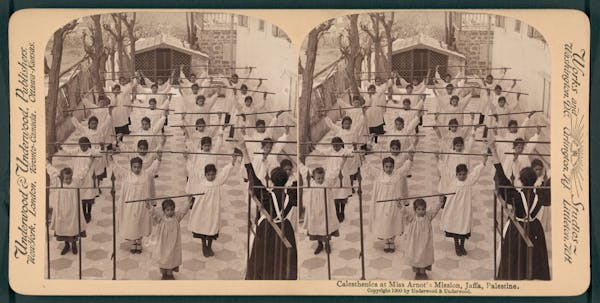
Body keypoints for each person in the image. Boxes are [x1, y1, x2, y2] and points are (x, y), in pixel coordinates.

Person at [490, 141, 551, 280]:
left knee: (514, 258)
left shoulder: (515, 196)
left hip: (517, 230)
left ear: (521, 180)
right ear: (535, 179)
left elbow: (501, 178)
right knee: (534, 258)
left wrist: (493, 151)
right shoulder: (541, 195)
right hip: (535, 229)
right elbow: (551, 187)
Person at [238, 140, 298, 280]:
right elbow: (297, 182)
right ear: (286, 179)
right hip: (285, 229)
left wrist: (244, 150)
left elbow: (251, 175)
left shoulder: (266, 196)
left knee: (263, 260)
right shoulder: (292, 194)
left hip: (267, 229)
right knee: (284, 263)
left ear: (271, 180)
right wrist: (292, 174)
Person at [359, 151, 414, 253]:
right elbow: (369, 168)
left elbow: (406, 167)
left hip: (394, 204)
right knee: (384, 221)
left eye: (390, 167)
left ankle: (392, 241)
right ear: (383, 167)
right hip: (382, 204)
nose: (388, 169)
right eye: (386, 167)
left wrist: (410, 158)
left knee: (394, 221)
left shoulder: (397, 174)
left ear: (393, 166)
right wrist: (363, 158)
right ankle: (386, 241)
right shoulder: (379, 174)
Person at [109, 154, 161, 254]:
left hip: (142, 205)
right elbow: (116, 168)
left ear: (142, 167)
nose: (137, 169)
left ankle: (139, 242)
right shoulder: (126, 175)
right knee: (132, 223)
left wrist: (158, 159)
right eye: (134, 167)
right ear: (131, 167)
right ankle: (133, 242)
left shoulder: (146, 175)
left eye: (139, 167)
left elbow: (154, 168)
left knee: (141, 222)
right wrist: (111, 159)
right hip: (130, 206)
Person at [188, 157, 238, 257]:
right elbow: (193, 170)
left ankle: (209, 246)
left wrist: (232, 162)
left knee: (212, 227)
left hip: (213, 210)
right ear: (205, 174)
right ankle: (204, 246)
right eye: (208, 175)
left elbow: (225, 172)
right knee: (202, 227)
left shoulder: (217, 181)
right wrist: (187, 159)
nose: (211, 177)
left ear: (215, 174)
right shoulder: (201, 181)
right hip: (203, 210)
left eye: (213, 174)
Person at [439, 156, 487, 256]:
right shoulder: (453, 182)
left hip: (465, 210)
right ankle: (456, 244)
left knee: (464, 227)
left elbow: (476, 172)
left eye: (464, 174)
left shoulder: (469, 181)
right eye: (460, 174)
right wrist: (438, 159)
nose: (462, 176)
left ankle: (462, 245)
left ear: (467, 174)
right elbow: (444, 171)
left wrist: (484, 161)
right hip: (455, 209)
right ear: (456, 174)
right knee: (456, 226)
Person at [47, 160, 93, 255]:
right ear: (62, 177)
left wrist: (90, 161)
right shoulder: (58, 182)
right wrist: (46, 162)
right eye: (66, 179)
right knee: (63, 227)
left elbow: (83, 172)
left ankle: (74, 244)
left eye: (70, 178)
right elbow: (51, 170)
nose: (68, 180)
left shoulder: (75, 181)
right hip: (62, 210)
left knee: (73, 227)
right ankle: (66, 244)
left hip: (73, 210)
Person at [55, 137, 100, 223]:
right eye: (81, 146)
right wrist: (61, 147)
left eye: (85, 146)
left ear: (88, 144)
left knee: (89, 197)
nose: (83, 148)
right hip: (77, 177)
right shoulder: (78, 150)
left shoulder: (91, 152)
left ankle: (89, 213)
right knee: (82, 197)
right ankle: (83, 214)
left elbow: (100, 153)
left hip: (88, 178)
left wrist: (101, 148)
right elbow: (69, 151)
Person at [298, 165, 340, 255]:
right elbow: (304, 171)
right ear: (314, 177)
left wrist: (342, 162)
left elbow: (335, 174)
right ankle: (319, 244)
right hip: (315, 211)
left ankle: (327, 243)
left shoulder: (327, 183)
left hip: (326, 210)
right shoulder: (311, 183)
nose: (320, 180)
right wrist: (300, 163)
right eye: (318, 178)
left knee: (326, 226)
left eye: (322, 178)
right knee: (316, 227)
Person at [147, 199, 190, 280]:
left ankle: (170, 273)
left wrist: (188, 201)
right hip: (163, 244)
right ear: (163, 211)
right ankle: (164, 274)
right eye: (168, 210)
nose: (170, 212)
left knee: (171, 257)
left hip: (173, 244)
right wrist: (149, 205)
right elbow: (153, 213)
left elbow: (183, 211)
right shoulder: (161, 218)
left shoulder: (177, 217)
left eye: (172, 210)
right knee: (163, 257)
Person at [401, 198, 443, 280]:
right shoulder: (412, 217)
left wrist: (440, 202)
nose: (421, 211)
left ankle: (423, 272)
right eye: (419, 209)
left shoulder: (428, 216)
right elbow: (404, 213)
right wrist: (399, 204)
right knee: (416, 255)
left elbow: (435, 210)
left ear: (426, 209)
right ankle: (417, 272)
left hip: (425, 242)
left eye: (423, 209)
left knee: (424, 255)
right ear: (415, 210)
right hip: (415, 242)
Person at [362, 76, 394, 144]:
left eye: (373, 89)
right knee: (370, 126)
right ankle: (370, 138)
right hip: (369, 113)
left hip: (376, 112)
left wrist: (388, 80)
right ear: (368, 90)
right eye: (370, 89)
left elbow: (384, 87)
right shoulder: (366, 95)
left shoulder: (377, 94)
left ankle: (376, 138)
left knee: (376, 125)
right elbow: (361, 91)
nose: (371, 91)